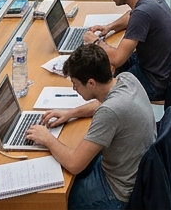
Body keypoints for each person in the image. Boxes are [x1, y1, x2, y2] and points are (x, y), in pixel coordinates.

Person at [26, 44, 155, 210]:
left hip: (117, 192)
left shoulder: (109, 112)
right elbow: (102, 105)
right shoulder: (127, 79)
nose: (74, 89)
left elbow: (74, 163)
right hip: (135, 172)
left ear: (91, 83)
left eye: (75, 84)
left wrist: (47, 138)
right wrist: (70, 113)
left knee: (59, 198)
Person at [84, 0, 171, 101]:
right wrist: (109, 27)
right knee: (107, 71)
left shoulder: (142, 14)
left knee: (105, 92)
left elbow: (118, 58)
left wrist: (95, 42)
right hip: (163, 68)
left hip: (157, 82)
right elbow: (132, 14)